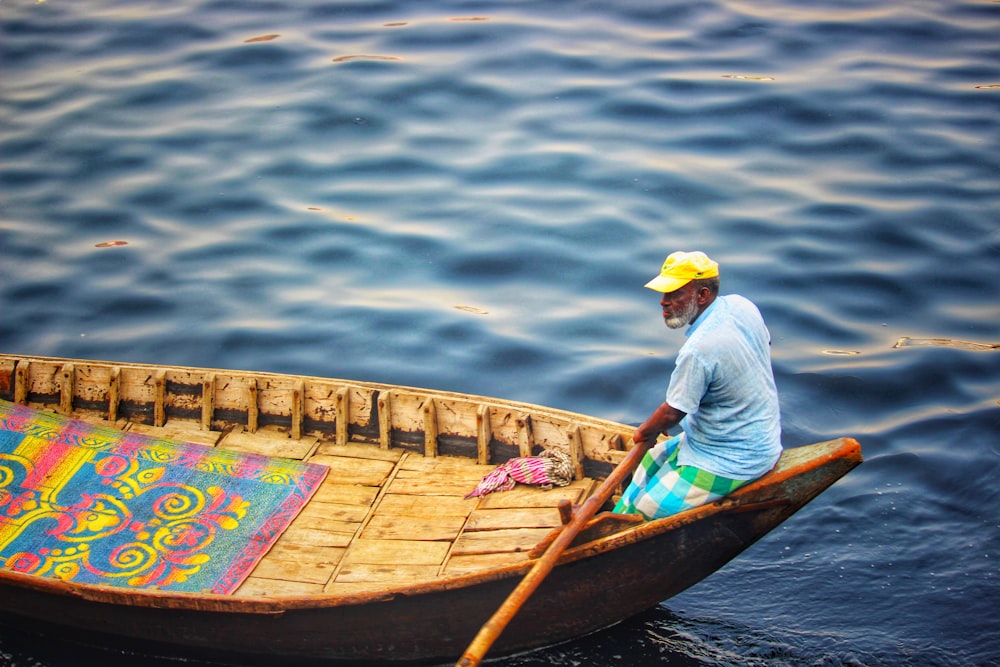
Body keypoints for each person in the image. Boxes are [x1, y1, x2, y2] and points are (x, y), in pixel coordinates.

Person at [613, 251, 782, 520]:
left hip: (733, 459)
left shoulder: (699, 349)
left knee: (647, 507)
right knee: (650, 460)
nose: (663, 302)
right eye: (663, 294)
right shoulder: (742, 305)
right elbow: (766, 344)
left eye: (673, 294)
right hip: (739, 436)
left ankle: (627, 523)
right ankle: (619, 513)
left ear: (702, 295)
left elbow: (672, 413)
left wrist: (644, 431)